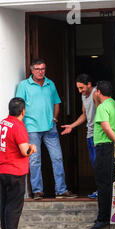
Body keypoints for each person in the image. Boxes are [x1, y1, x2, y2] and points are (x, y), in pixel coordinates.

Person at [15, 58, 76, 200]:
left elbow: (56, 103)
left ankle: (61, 190)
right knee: (35, 160)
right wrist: (21, 126)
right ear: (32, 70)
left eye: (42, 69)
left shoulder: (50, 84)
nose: (40, 72)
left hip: (50, 127)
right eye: (37, 69)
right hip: (32, 128)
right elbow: (19, 106)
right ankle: (37, 191)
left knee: (58, 158)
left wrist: (54, 119)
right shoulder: (24, 85)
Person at [0, 98, 37, 229]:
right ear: (23, 111)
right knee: (14, 206)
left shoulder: (3, 123)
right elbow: (24, 151)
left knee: (3, 205)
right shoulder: (18, 126)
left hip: (2, 170)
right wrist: (33, 148)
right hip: (15, 171)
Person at [61, 74, 98, 199]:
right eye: (78, 88)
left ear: (89, 84)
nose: (80, 91)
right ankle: (99, 189)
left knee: (99, 164)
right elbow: (84, 115)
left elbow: (103, 112)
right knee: (94, 164)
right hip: (90, 134)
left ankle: (102, 190)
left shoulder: (95, 94)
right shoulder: (83, 96)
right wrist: (72, 126)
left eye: (81, 88)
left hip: (98, 135)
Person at [90, 81, 115, 229]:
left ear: (98, 92)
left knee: (103, 184)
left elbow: (106, 127)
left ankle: (103, 217)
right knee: (110, 182)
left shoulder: (102, 107)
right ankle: (110, 215)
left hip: (105, 148)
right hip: (112, 148)